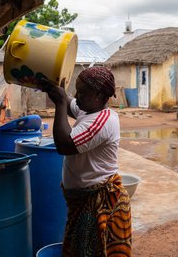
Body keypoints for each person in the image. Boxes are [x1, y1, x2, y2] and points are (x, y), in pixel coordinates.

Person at [41, 66, 132, 257]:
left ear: (98, 95)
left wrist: (59, 105)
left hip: (97, 202)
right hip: (82, 200)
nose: (77, 95)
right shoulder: (87, 110)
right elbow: (67, 99)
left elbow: (64, 145)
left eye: (81, 92)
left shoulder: (103, 121)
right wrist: (51, 85)